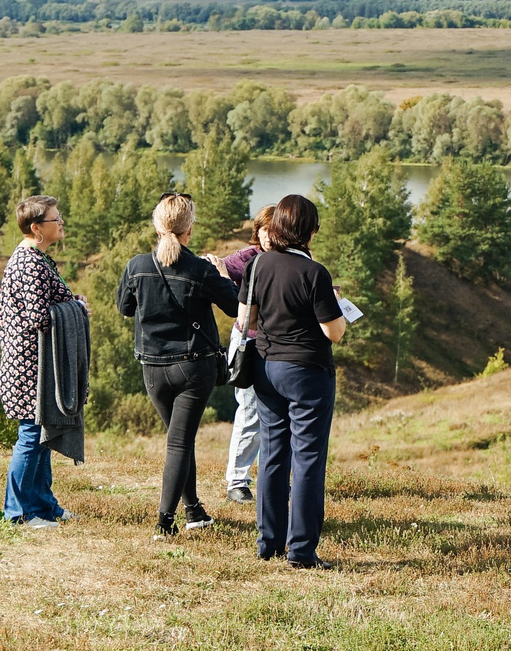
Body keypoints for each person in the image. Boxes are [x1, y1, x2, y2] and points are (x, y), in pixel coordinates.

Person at [119, 193, 241, 536]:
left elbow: (126, 308)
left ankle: (193, 510)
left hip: (153, 368)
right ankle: (164, 522)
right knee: (179, 442)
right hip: (193, 367)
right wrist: (220, 273)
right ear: (188, 231)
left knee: (178, 439)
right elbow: (234, 307)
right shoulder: (201, 269)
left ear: (158, 226)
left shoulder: (136, 266)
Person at [242, 193, 349, 568]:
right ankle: (301, 551)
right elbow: (334, 332)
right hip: (307, 373)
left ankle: (268, 542)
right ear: (310, 231)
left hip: (266, 367)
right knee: (307, 460)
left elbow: (247, 322)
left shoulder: (258, 266)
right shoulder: (315, 273)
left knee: (272, 454)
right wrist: (339, 306)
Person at [0, 195, 76, 527]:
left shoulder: (37, 258)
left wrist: (73, 301)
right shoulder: (29, 263)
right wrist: (73, 311)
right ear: (36, 228)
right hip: (29, 367)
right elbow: (38, 318)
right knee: (31, 435)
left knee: (42, 432)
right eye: (55, 219)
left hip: (36, 364)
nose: (61, 224)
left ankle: (44, 505)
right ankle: (17, 513)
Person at [219, 208, 274, 504]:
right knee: (250, 411)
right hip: (248, 344)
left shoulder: (291, 258)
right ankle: (237, 481)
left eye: (274, 230)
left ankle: (273, 478)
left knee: (279, 415)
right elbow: (211, 268)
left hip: (281, 345)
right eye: (264, 230)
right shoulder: (246, 258)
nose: (268, 236)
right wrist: (227, 283)